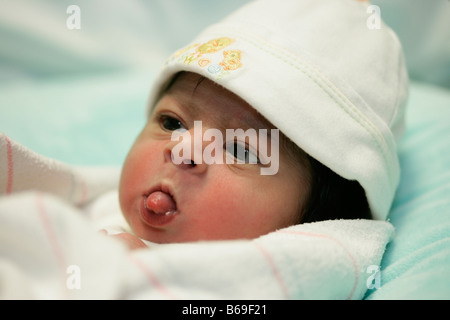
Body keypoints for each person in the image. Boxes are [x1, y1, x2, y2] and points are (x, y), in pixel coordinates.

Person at [114, 0, 408, 249]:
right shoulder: (87, 200)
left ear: (316, 223)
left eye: (240, 151)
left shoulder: (297, 268)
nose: (183, 150)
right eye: (172, 123)